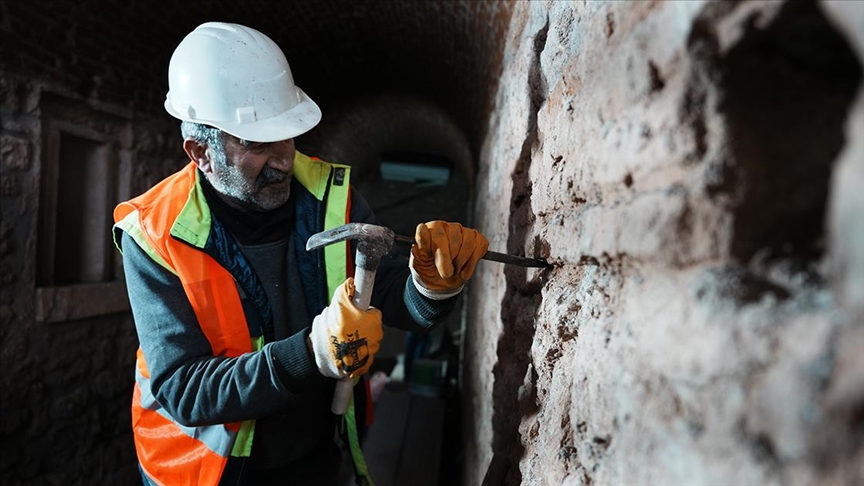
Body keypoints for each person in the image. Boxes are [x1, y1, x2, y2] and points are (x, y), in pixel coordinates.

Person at [112, 22, 489, 486]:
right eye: (256, 144)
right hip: (212, 475)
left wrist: (430, 287)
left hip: (314, 459)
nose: (284, 159)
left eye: (287, 135)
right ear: (200, 152)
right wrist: (311, 354)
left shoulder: (328, 197)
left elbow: (392, 296)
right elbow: (184, 389)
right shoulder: (153, 233)